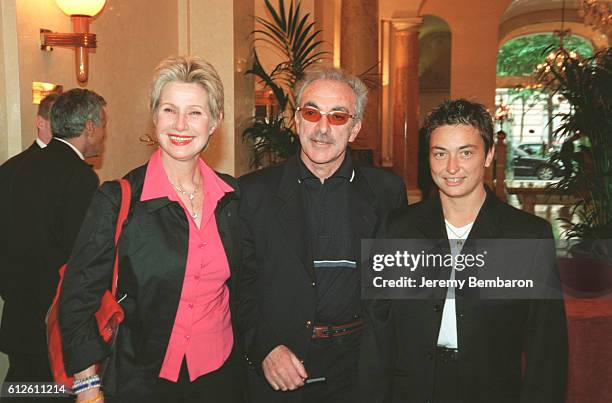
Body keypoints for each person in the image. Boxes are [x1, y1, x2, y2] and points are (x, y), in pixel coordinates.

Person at [58, 56, 244, 403]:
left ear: (215, 121)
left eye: (195, 112)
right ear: (154, 115)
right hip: (142, 381)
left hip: (222, 377)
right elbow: (76, 300)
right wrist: (87, 390)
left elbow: (247, 288)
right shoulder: (118, 199)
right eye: (169, 110)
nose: (181, 125)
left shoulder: (232, 198)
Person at [238, 67, 407, 403]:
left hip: (360, 367)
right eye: (312, 113)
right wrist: (265, 348)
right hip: (282, 368)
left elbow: (395, 284)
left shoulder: (387, 191)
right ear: (296, 120)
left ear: (355, 128)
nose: (323, 128)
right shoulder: (253, 193)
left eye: (339, 116)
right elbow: (239, 285)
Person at [382, 99, 568, 402]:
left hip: (491, 389)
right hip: (411, 389)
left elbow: (547, 349)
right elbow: (380, 332)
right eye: (440, 153)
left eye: (465, 153)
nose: (451, 167)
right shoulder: (396, 229)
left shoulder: (526, 236)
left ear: (488, 154)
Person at [0, 89, 106, 386]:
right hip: (54, 321)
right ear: (89, 127)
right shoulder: (79, 176)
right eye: (103, 125)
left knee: (23, 389)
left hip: (18, 313)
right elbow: (82, 255)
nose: (103, 134)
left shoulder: (14, 167)